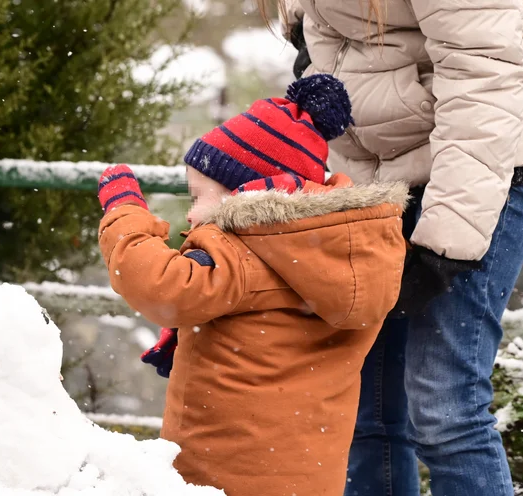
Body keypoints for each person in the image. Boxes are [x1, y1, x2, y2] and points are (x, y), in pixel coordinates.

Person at [266, 0, 523, 494]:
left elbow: (485, 76)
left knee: (444, 406)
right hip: (386, 170)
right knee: (363, 405)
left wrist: (444, 245)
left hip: (485, 162)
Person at [96, 74, 409, 496]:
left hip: (226, 474)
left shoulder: (242, 252)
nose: (191, 216)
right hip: (310, 475)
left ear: (243, 195)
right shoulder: (333, 249)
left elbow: (161, 286)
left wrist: (125, 212)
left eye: (199, 197)